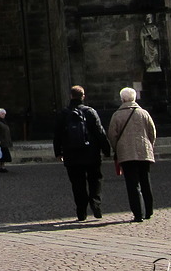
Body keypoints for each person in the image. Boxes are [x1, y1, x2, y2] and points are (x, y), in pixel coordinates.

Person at [53, 85, 112, 221]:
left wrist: (58, 152)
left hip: (71, 154)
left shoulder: (63, 114)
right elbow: (99, 132)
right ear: (83, 96)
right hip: (91, 153)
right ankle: (95, 202)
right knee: (95, 179)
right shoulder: (90, 112)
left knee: (77, 183)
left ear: (71, 96)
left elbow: (57, 135)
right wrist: (106, 149)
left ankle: (81, 211)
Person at [107, 87, 157, 223]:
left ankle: (138, 214)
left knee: (132, 184)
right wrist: (149, 146)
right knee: (145, 181)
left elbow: (112, 135)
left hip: (126, 154)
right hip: (144, 152)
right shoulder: (144, 113)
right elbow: (152, 132)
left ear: (122, 99)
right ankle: (149, 211)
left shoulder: (117, 115)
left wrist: (116, 148)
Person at [0, 108, 14, 173]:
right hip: (1, 141)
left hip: (4, 141)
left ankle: (2, 166)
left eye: (4, 114)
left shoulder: (3, 121)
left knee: (4, 155)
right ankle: (2, 167)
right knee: (2, 154)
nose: (4, 115)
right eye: (2, 114)